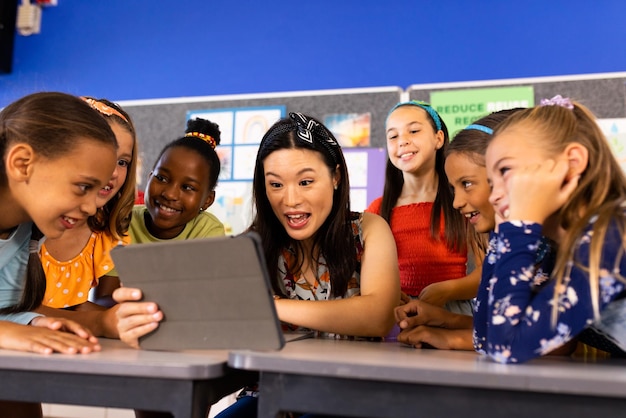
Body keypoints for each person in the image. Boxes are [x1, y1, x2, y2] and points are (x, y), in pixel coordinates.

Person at [114, 112, 400, 418]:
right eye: (275, 184)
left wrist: (269, 307)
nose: (290, 199)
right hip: (271, 395)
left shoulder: (368, 229)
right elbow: (214, 324)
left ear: (336, 177)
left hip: (349, 396)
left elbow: (378, 315)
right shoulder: (252, 244)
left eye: (305, 182)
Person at [476, 95, 626, 364]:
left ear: (572, 163)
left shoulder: (613, 234)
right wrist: (502, 240)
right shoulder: (552, 249)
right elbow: (486, 338)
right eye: (490, 182)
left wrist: (518, 228)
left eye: (506, 171)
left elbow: (506, 347)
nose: (493, 196)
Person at [0, 92, 113, 417]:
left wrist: (36, 322)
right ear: (22, 163)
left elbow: (4, 311)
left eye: (99, 190)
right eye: (82, 187)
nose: (92, 207)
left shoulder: (22, 229)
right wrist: (6, 332)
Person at [395, 109, 524, 350]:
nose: (456, 202)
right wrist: (445, 320)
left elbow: (557, 340)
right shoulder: (503, 242)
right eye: (454, 189)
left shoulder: (549, 244)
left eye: (467, 184)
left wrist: (452, 337)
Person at [366, 100, 477, 315]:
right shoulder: (377, 209)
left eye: (414, 131)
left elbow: (487, 272)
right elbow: (361, 270)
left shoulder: (463, 201)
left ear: (438, 138)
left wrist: (447, 289)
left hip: (454, 315)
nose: (403, 142)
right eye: (393, 136)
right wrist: (382, 291)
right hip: (395, 316)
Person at [40, 97, 137, 309]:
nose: (112, 172)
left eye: (122, 162)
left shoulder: (105, 235)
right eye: (102, 155)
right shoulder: (20, 224)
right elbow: (17, 310)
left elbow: (74, 307)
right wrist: (102, 322)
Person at [129, 117, 225, 242]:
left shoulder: (208, 231)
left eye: (187, 187)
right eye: (162, 178)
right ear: (150, 177)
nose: (170, 194)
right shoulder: (121, 223)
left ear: (208, 200)